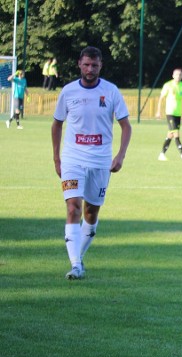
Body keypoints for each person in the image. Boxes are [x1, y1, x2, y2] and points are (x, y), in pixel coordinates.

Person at [51, 46, 132, 280]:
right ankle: (75, 265)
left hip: (100, 162)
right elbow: (57, 124)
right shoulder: (68, 92)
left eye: (94, 65)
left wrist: (120, 156)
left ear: (100, 66)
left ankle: (79, 258)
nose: (90, 69)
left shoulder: (111, 91)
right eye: (86, 64)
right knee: (72, 207)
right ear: (79, 64)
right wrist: (57, 158)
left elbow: (126, 126)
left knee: (91, 212)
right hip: (72, 160)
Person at [156, 68, 182, 161]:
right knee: (176, 133)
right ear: (173, 76)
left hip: (178, 114)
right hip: (170, 113)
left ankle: (162, 154)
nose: (178, 76)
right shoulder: (168, 85)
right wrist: (158, 111)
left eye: (180, 75)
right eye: (177, 75)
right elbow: (161, 99)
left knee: (170, 135)